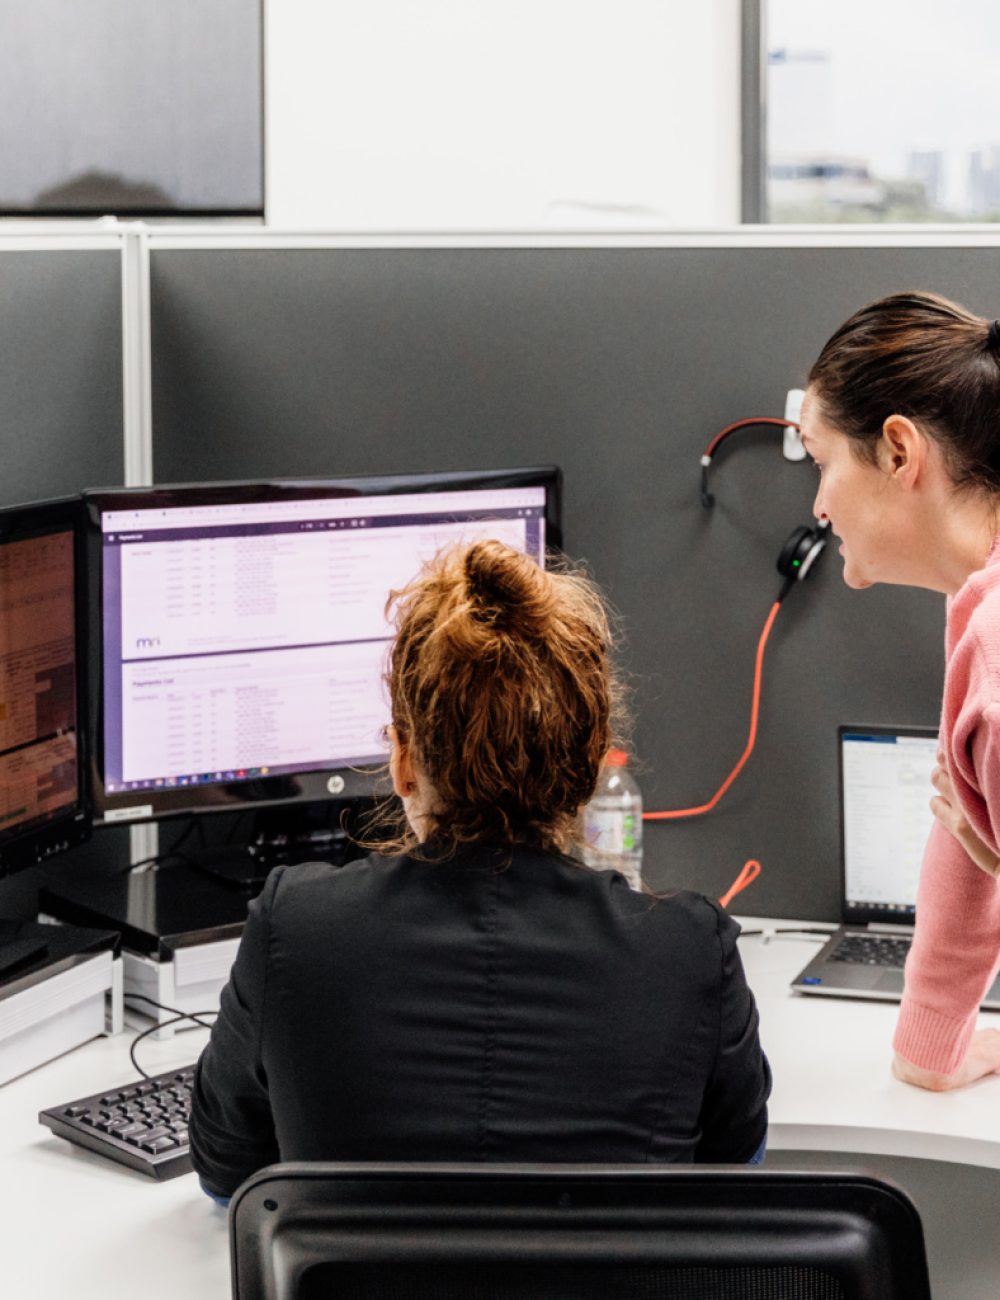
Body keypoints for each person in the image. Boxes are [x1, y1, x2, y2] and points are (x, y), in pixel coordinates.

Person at [189, 539, 771, 1201]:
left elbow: (226, 1169)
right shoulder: (690, 950)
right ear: (585, 770)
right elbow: (733, 1177)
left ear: (403, 760)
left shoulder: (294, 930)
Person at [801, 290, 1000, 1092]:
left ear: (896, 452)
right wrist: (931, 1045)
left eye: (821, 461)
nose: (817, 504)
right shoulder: (977, 611)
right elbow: (963, 840)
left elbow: (976, 837)